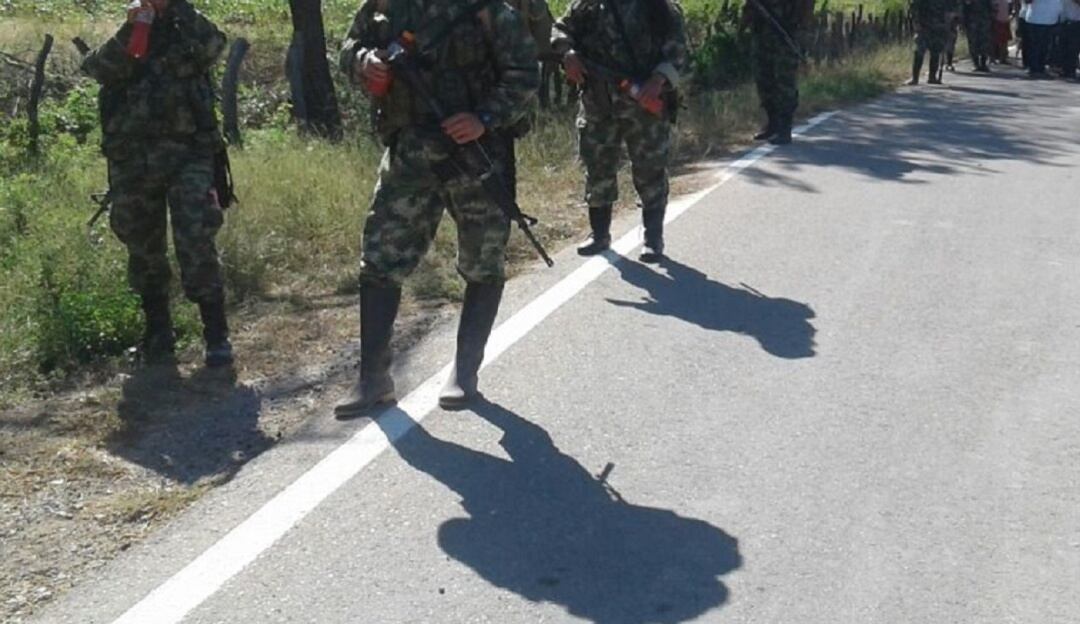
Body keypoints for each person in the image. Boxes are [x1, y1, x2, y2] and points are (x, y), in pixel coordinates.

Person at [334, 0, 539, 417]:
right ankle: (373, 379)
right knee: (379, 260)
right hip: (410, 153)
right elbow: (349, 46)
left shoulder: (485, 8)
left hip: (475, 153)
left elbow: (524, 73)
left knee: (483, 261)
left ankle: (464, 374)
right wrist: (364, 61)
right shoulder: (384, 4)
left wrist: (484, 116)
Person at [81, 0, 234, 368]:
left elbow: (215, 47)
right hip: (133, 160)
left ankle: (216, 336)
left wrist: (178, 11)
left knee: (195, 238)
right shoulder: (131, 29)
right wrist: (133, 27)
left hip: (188, 155)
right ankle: (158, 336)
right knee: (143, 247)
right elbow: (99, 68)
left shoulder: (190, 28)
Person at [552, 0, 688, 263]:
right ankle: (599, 234)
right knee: (597, 166)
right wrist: (567, 53)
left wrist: (658, 79)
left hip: (643, 105)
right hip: (597, 103)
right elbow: (560, 29)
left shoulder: (659, 8)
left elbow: (677, 51)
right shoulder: (588, 5)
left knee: (650, 169)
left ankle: (652, 238)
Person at [745, 0, 815, 145]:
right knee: (764, 80)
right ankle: (772, 124)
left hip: (785, 33)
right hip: (762, 32)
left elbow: (806, 7)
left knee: (784, 83)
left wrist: (802, 27)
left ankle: (785, 129)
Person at [908, 0, 955, 85]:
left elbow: (950, 9)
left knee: (936, 51)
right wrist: (916, 22)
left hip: (939, 27)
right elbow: (914, 8)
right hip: (924, 26)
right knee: (919, 50)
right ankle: (915, 78)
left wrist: (949, 22)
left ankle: (932, 77)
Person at [1025, 0, 1064, 76]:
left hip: (1051, 20)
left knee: (1045, 46)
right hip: (1037, 19)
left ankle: (1041, 68)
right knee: (1036, 45)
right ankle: (1034, 68)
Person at [964, 0, 995, 72]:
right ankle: (976, 63)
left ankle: (983, 63)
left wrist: (991, 17)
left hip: (984, 20)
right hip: (972, 21)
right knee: (973, 42)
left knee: (984, 42)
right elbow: (965, 7)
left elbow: (990, 6)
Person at [1062, 0, 1080, 78]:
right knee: (1069, 48)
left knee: (1072, 48)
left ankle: (1069, 70)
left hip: (1075, 22)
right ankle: (1068, 70)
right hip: (1068, 22)